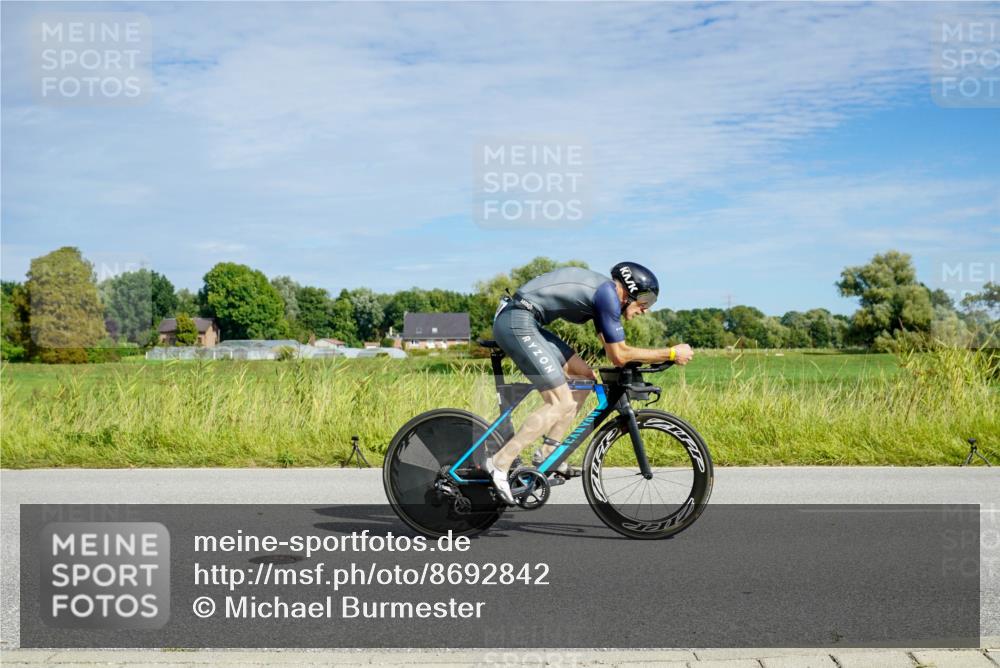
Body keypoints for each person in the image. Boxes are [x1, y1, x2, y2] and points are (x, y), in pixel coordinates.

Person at [487, 262, 694, 503]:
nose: (646, 309)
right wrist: (670, 353)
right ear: (630, 291)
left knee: (584, 377)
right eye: (645, 300)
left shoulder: (604, 299)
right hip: (516, 321)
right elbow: (620, 355)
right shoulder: (607, 295)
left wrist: (644, 360)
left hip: (527, 321)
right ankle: (499, 463)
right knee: (559, 401)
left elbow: (614, 355)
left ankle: (549, 452)